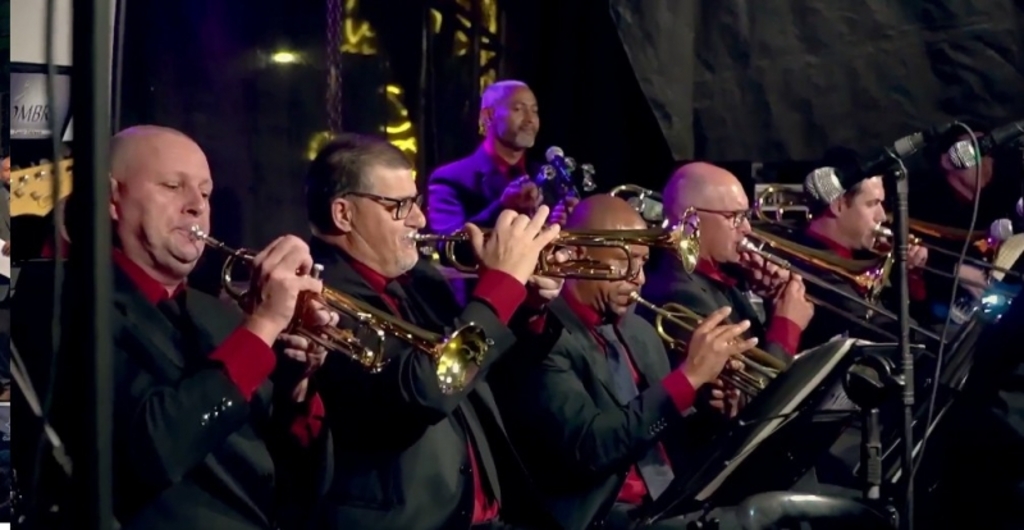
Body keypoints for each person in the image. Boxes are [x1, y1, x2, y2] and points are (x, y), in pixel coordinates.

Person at [52, 126, 335, 530]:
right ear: (112, 198)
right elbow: (153, 452)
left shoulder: (220, 317)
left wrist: (296, 391)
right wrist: (265, 324)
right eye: (173, 186)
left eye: (205, 193)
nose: (196, 207)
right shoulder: (67, 301)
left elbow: (299, 487)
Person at [303, 133, 566, 530]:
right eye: (400, 207)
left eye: (417, 202)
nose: (420, 220)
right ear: (344, 214)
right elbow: (426, 390)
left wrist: (526, 307)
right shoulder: (315, 294)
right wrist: (500, 288)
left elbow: (481, 370)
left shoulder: (421, 278)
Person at [491, 195, 757, 530]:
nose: (639, 278)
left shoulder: (640, 331)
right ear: (575, 256)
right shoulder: (540, 336)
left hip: (669, 503)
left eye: (644, 262)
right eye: (623, 260)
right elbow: (591, 448)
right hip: (599, 517)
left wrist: (714, 412)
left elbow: (665, 439)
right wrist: (688, 378)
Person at [640, 162, 814, 363]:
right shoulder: (679, 293)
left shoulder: (714, 276)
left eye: (746, 216)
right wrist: (786, 326)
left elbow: (752, 351)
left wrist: (774, 303)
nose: (747, 228)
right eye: (735, 217)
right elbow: (758, 387)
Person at [794, 147, 931, 347]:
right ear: (839, 205)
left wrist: (910, 276)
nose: (882, 216)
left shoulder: (859, 256)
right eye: (872, 204)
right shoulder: (811, 263)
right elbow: (882, 328)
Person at [426, 80, 577, 235]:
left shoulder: (548, 177)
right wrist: (504, 207)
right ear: (489, 116)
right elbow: (448, 246)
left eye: (535, 111)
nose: (530, 119)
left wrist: (564, 224)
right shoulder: (449, 178)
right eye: (518, 109)